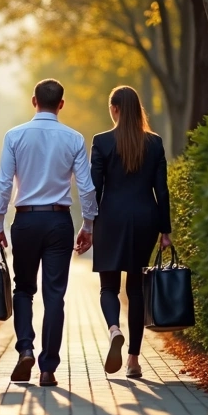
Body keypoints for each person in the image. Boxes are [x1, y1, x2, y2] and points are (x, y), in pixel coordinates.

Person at [0, 79, 98, 387]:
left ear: (33, 101)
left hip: (25, 221)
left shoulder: (14, 136)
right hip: (59, 222)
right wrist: (88, 225)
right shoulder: (74, 138)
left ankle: (25, 348)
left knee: (24, 289)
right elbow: (86, 188)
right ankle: (48, 368)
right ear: (61, 104)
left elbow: (3, 183)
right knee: (55, 295)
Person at [75, 86, 171, 379]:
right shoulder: (154, 143)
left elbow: (94, 189)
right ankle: (133, 361)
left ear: (114, 109)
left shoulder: (102, 141)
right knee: (136, 289)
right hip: (145, 219)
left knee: (108, 287)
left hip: (111, 219)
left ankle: (114, 329)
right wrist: (165, 231)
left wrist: (88, 225)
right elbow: (162, 191)